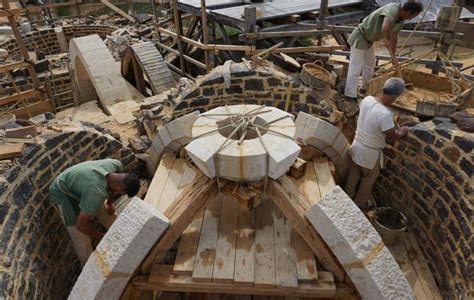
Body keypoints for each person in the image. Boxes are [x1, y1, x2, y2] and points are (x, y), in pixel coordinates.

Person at [49, 159, 140, 265]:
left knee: (106, 213)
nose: (121, 194)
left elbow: (112, 188)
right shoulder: (95, 192)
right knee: (81, 239)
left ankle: (124, 235)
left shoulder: (116, 166)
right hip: (62, 194)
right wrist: (100, 236)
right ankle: (88, 268)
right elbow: (80, 225)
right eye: (123, 192)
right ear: (119, 187)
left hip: (83, 185)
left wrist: (109, 203)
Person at [344, 77, 409, 208]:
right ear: (395, 95)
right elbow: (391, 138)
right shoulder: (384, 114)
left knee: (353, 175)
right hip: (369, 154)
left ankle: (345, 198)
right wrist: (402, 131)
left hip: (356, 146)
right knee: (367, 180)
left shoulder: (367, 100)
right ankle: (359, 203)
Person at [344, 1, 423, 100]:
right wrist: (388, 39)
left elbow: (394, 37)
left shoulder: (401, 20)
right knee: (355, 67)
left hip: (369, 41)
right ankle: (349, 95)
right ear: (409, 12)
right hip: (360, 37)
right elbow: (385, 27)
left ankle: (365, 89)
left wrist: (393, 57)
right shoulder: (392, 8)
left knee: (369, 65)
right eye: (414, 15)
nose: (412, 18)